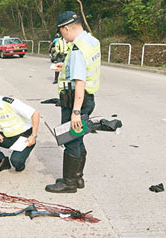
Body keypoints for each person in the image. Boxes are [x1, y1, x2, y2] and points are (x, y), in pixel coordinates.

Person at [45, 11, 100, 193]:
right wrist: (66, 66)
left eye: (62, 32)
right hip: (88, 99)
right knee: (79, 138)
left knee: (71, 141)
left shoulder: (77, 49)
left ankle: (68, 183)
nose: (62, 36)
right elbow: (85, 69)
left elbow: (80, 82)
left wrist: (75, 112)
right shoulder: (92, 41)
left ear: (67, 28)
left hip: (75, 101)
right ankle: (77, 178)